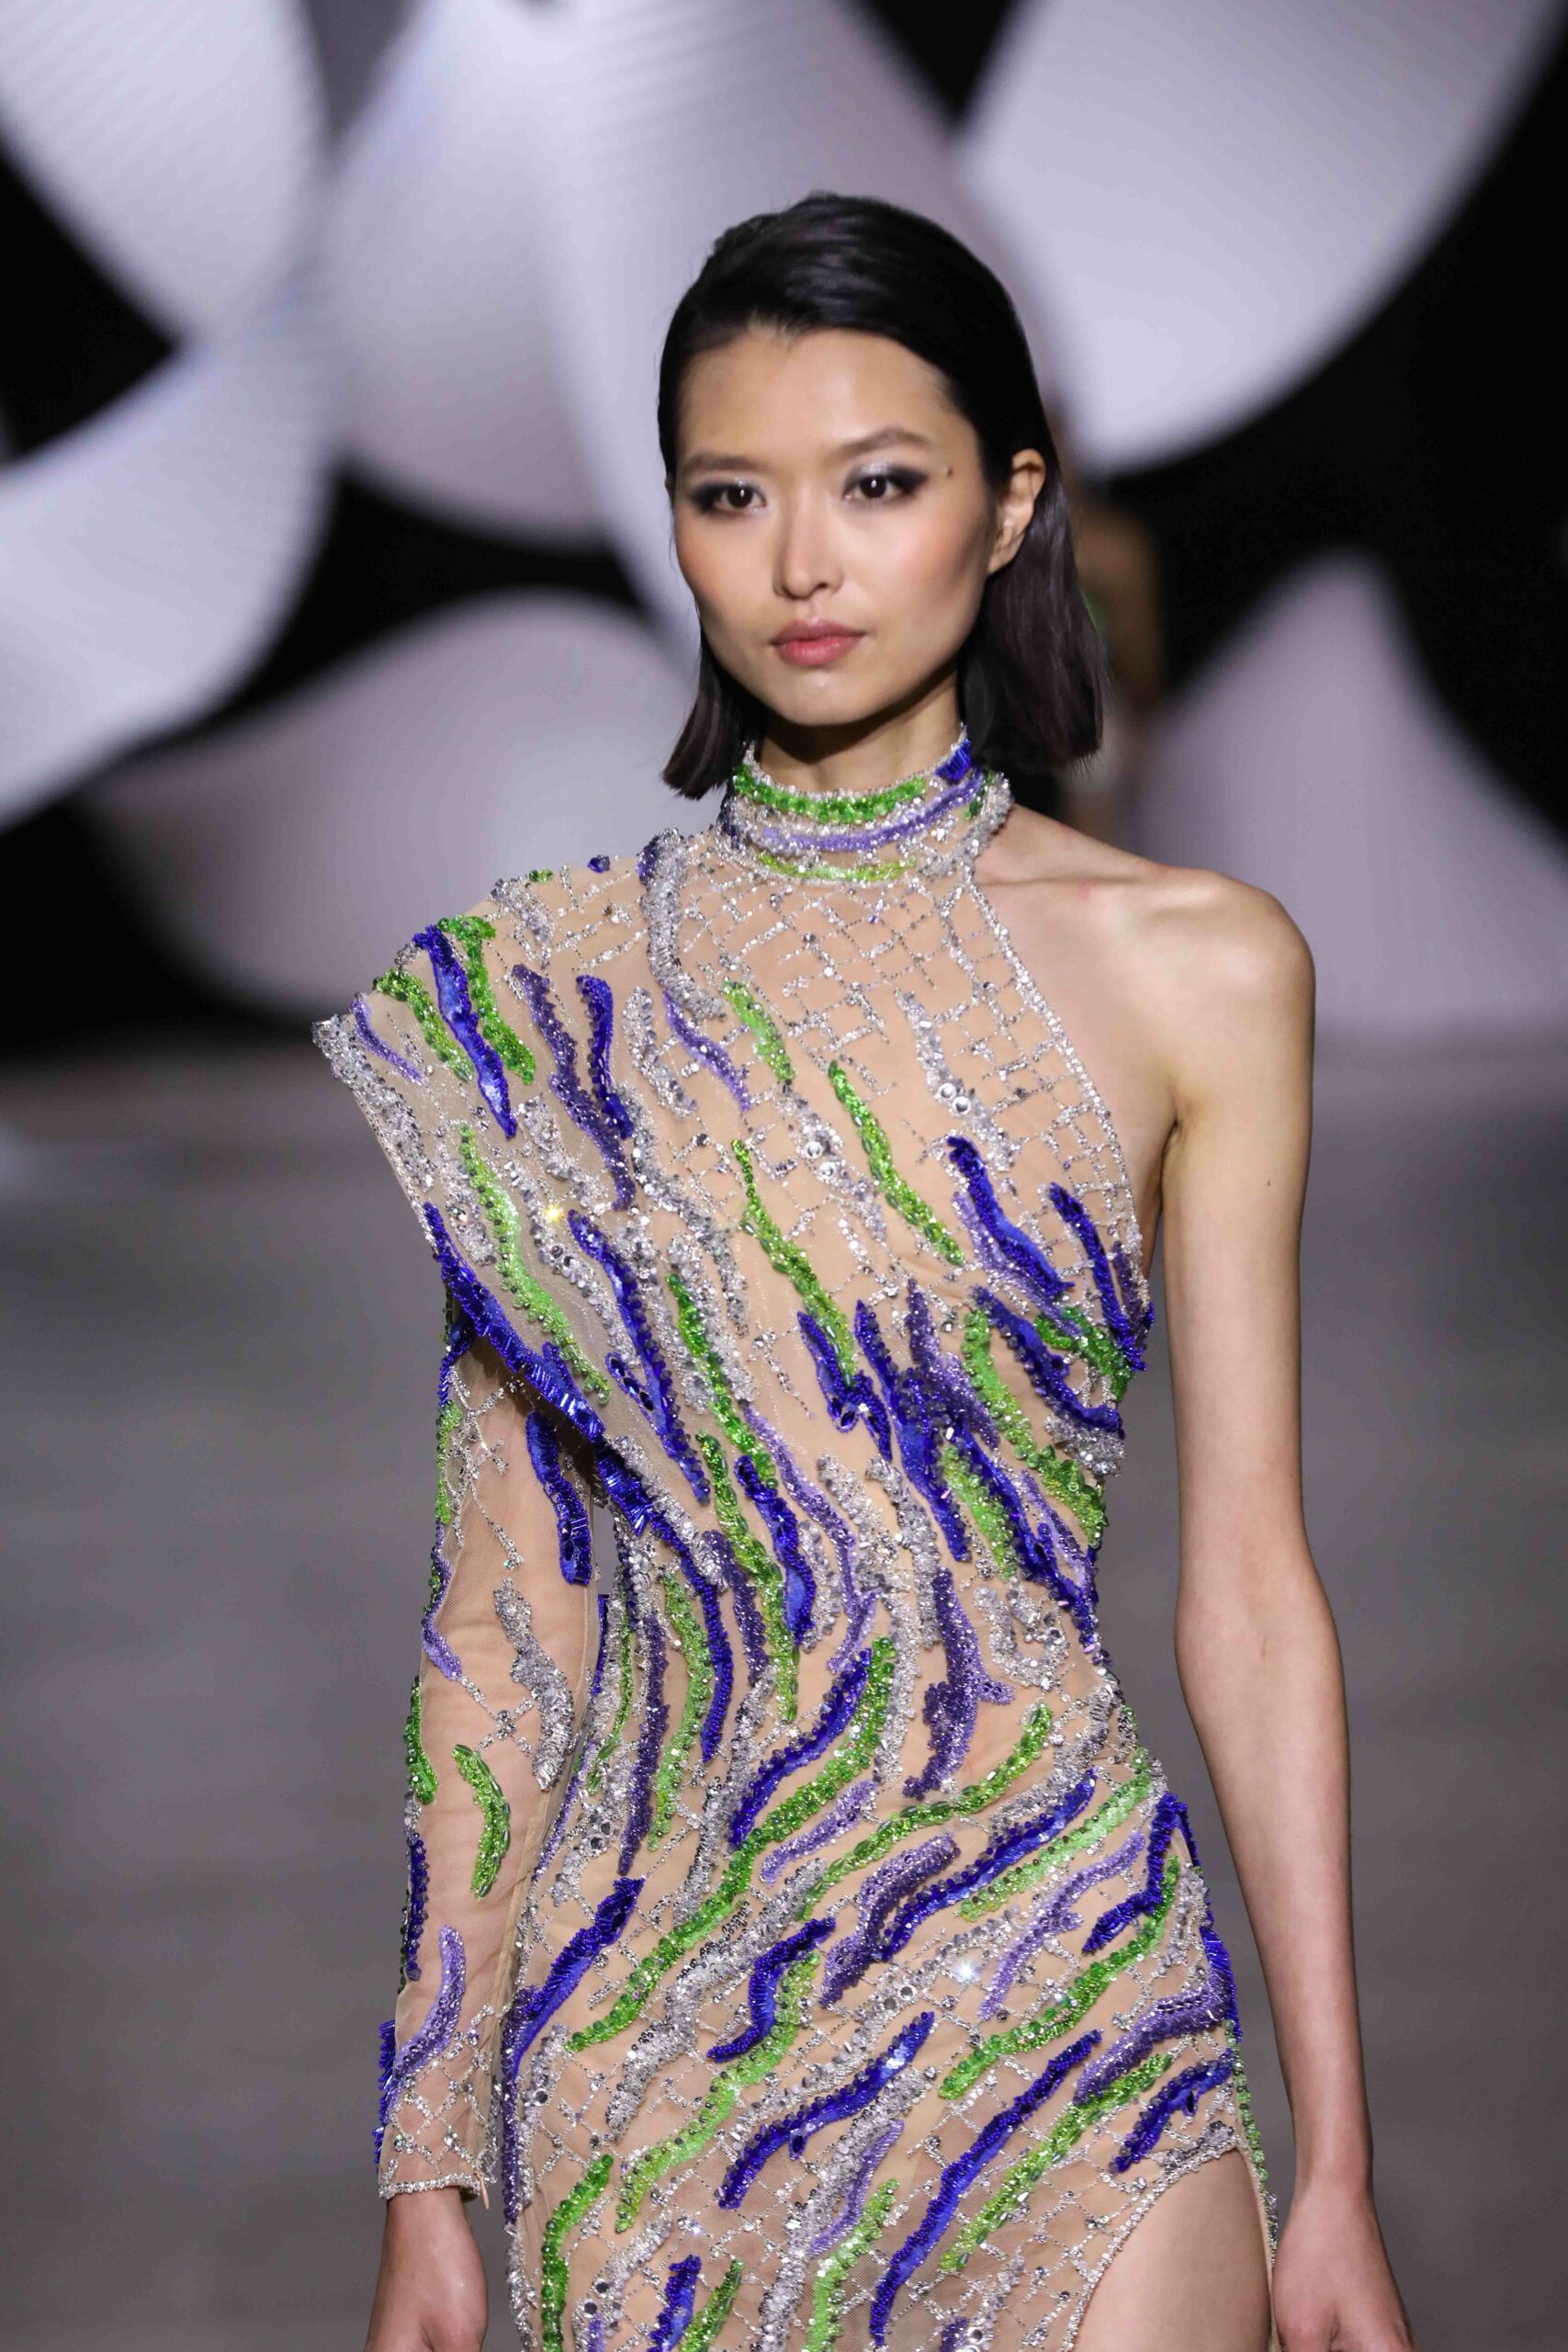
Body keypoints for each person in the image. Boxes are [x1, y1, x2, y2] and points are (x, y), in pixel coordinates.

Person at [317, 192, 1418, 2352]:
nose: (800, 564)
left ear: (1007, 506)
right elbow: (501, 1619)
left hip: (1068, 1986)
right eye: (731, 495)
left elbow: (1247, 1588)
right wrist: (426, 2162)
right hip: (655, 2052)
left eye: (877, 485)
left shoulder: (1196, 966)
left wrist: (1337, 2164)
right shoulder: (550, 1000)